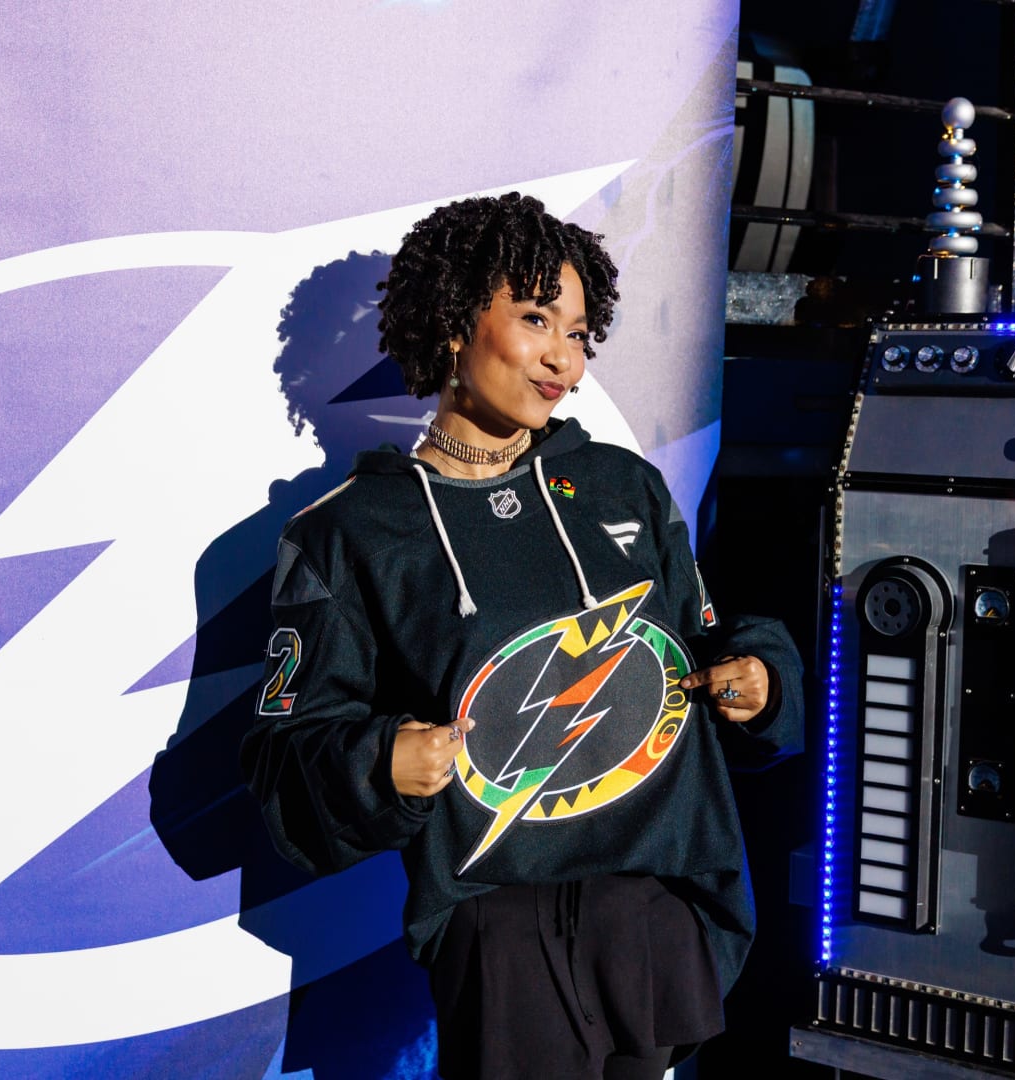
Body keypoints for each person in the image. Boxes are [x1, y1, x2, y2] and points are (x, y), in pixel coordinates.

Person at [241, 192, 804, 1080]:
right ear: (453, 320)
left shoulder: (622, 486)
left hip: (658, 906)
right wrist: (381, 760)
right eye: (536, 319)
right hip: (500, 928)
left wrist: (760, 679)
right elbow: (287, 759)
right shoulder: (346, 532)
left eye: (577, 334)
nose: (563, 359)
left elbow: (703, 643)